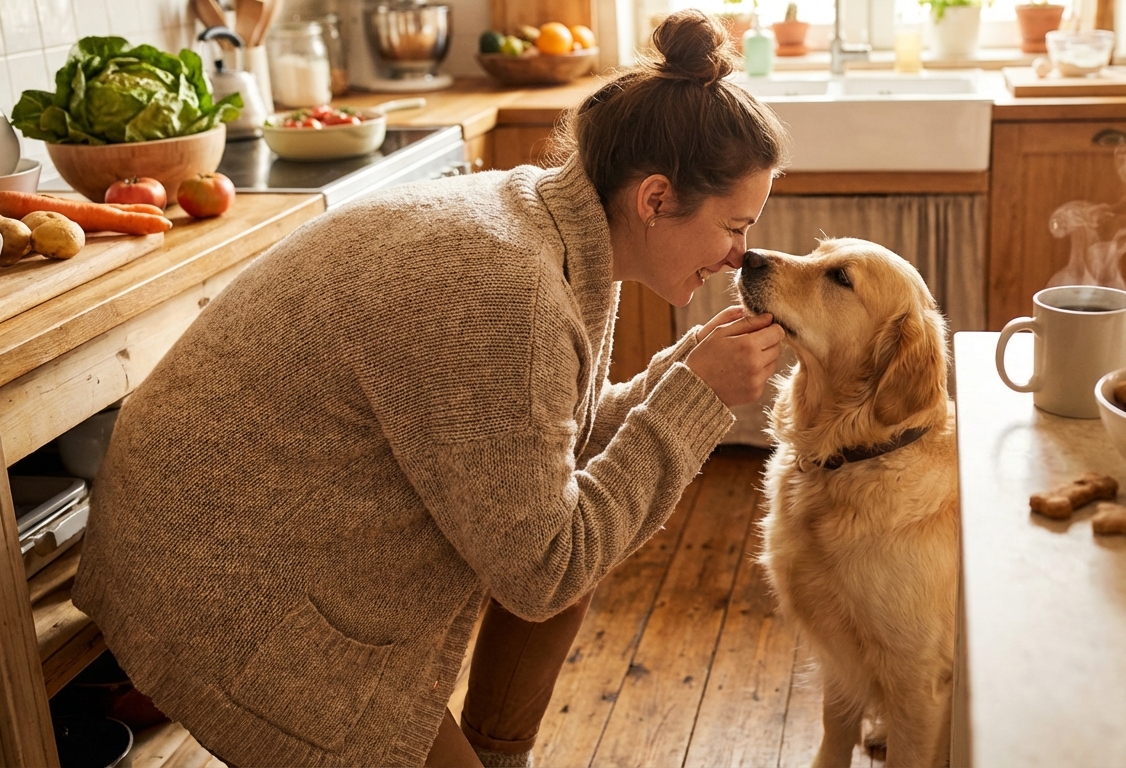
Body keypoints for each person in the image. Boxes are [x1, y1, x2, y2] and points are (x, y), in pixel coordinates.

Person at [71, 10, 790, 767]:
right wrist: (693, 401)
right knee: (566, 558)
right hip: (215, 571)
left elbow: (543, 446)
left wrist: (676, 379)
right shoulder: (510, 288)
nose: (740, 255)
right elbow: (545, 569)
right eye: (734, 225)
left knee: (577, 523)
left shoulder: (550, 227)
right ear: (655, 199)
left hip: (253, 520)